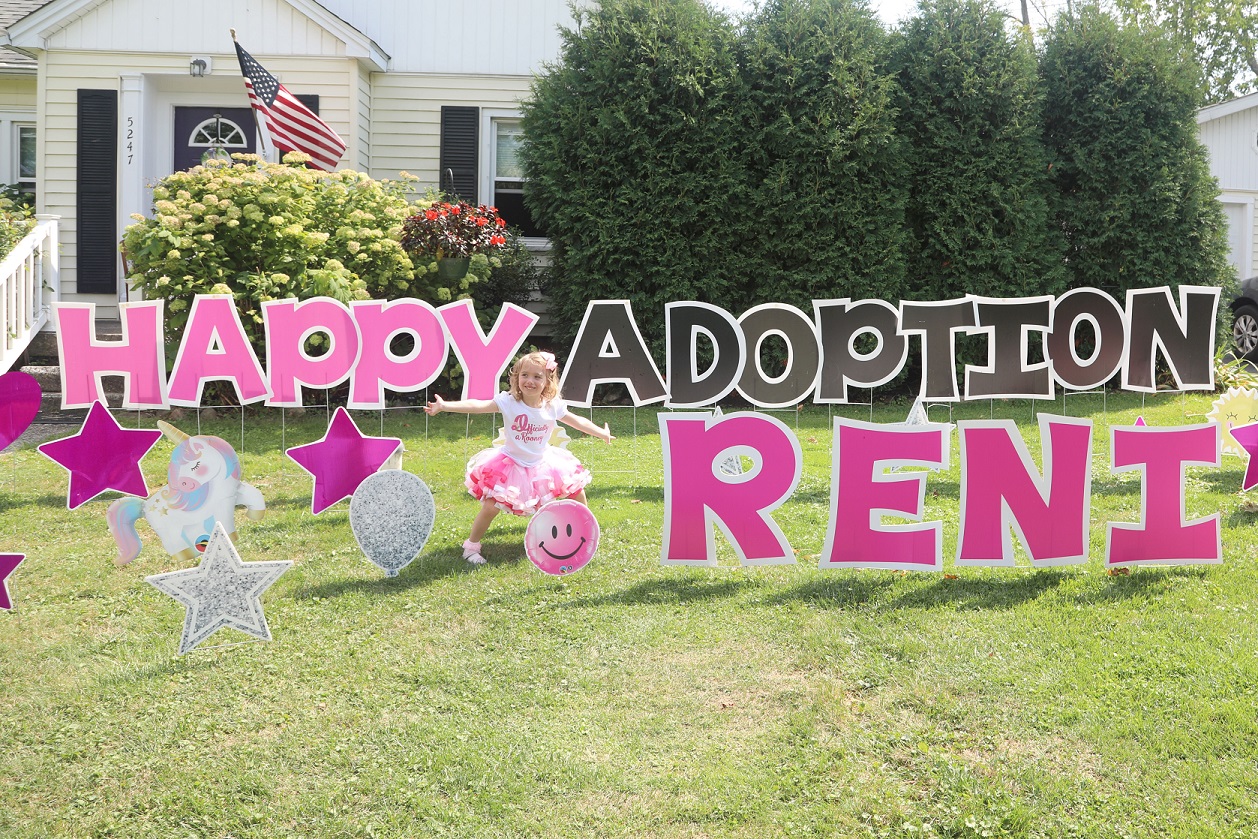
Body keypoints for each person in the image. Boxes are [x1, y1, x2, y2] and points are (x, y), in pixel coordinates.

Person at [424, 350, 614, 565]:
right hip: (510, 465)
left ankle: (585, 533)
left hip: (544, 464)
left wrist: (601, 433)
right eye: (524, 375)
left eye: (537, 376)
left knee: (577, 492)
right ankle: (471, 546)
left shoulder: (552, 406)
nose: (529, 381)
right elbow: (478, 405)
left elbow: (578, 421)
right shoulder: (509, 402)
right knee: (490, 507)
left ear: (547, 381)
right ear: (516, 378)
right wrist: (446, 405)